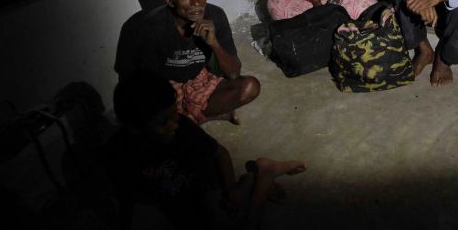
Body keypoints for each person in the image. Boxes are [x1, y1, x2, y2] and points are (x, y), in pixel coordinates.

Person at [106, 72, 307, 229]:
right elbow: (132, 200)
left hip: (206, 190)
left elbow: (219, 153)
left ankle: (265, 175)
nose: (174, 124)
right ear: (133, 126)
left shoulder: (181, 127)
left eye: (174, 115)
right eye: (163, 121)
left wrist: (229, 191)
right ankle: (253, 180)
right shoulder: (120, 153)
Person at [114, 0, 260, 125]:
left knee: (250, 87)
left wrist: (214, 44)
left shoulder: (215, 16)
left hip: (200, 81)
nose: (196, 4)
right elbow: (144, 83)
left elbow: (233, 74)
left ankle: (190, 119)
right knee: (152, 117)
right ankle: (202, 117)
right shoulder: (152, 27)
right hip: (166, 88)